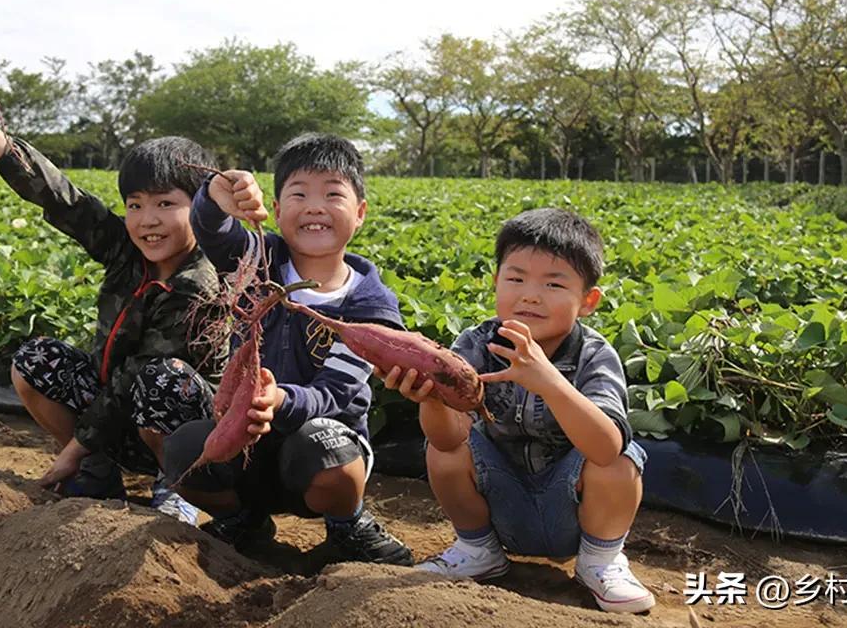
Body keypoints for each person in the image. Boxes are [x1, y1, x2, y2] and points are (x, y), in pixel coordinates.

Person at [0, 84, 227, 525]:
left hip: (191, 432)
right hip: (115, 420)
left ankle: (178, 486)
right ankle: (98, 474)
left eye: (167, 204)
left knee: (165, 380)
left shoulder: (200, 283)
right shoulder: (126, 251)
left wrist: (71, 450)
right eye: (135, 205)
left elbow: (135, 381)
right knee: (35, 361)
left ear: (201, 208)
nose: (147, 220)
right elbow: (59, 196)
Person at [382, 208, 654, 613]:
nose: (530, 294)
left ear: (588, 301)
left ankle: (600, 563)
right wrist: (431, 399)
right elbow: (448, 439)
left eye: (554, 283)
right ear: (496, 283)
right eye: (515, 278)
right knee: (443, 450)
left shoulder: (594, 355)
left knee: (622, 458)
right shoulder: (475, 344)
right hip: (501, 504)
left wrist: (549, 381)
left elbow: (605, 447)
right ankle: (478, 551)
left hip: (574, 512)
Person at [163, 133, 413, 565]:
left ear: (361, 213)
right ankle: (245, 518)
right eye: (299, 194)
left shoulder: (371, 305)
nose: (315, 206)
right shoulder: (259, 261)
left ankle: (346, 525)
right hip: (250, 443)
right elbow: (212, 230)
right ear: (277, 212)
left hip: (325, 453)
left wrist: (279, 400)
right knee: (185, 451)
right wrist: (215, 195)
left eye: (333, 194)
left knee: (321, 443)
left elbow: (335, 393)